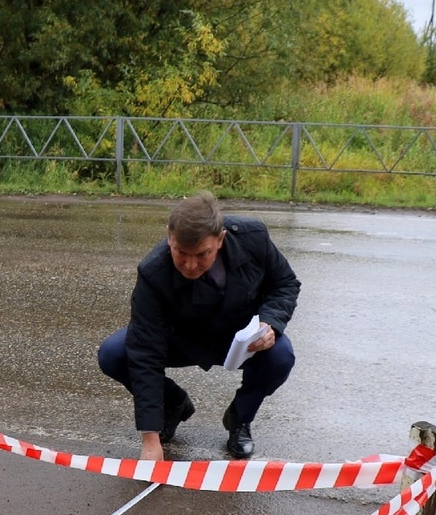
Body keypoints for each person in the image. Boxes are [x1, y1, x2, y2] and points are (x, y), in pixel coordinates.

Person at [97, 191, 301, 462]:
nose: (190, 265)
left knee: (280, 355)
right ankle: (173, 404)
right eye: (181, 253)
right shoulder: (152, 272)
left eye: (202, 254)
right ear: (170, 237)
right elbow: (145, 351)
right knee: (114, 354)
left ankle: (239, 418)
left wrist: (271, 322)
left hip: (238, 339)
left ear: (220, 239)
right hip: (181, 339)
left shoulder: (253, 239)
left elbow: (284, 283)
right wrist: (150, 440)